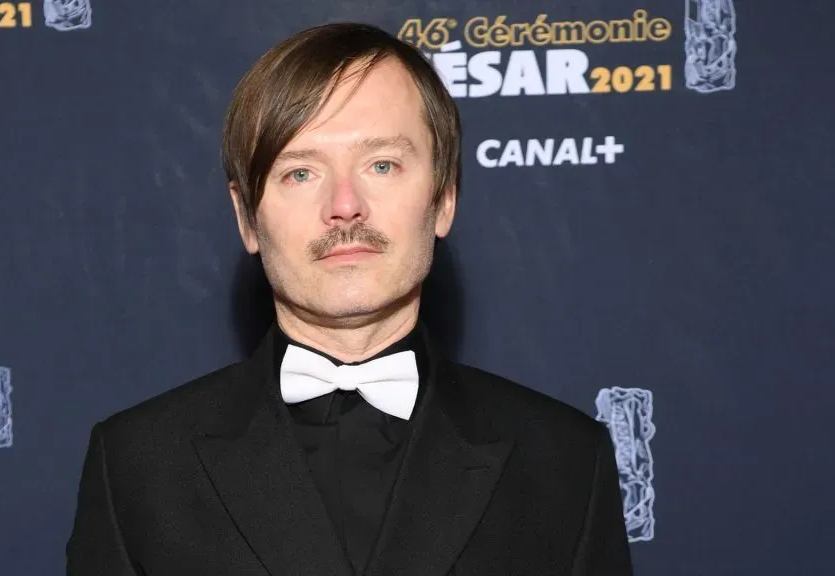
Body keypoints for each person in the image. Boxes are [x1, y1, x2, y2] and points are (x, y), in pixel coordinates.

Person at [66, 22, 633, 576]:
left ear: (444, 199)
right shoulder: (139, 465)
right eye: (300, 172)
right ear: (246, 219)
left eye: (381, 164)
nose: (344, 205)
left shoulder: (563, 461)